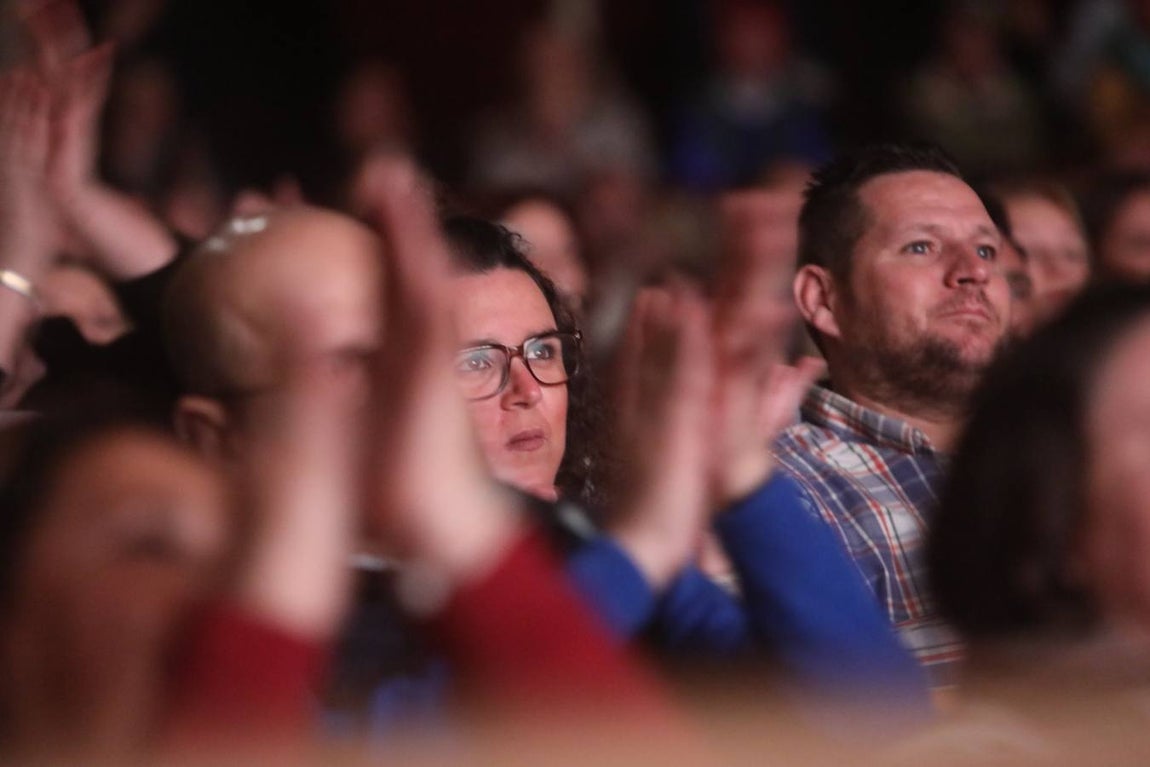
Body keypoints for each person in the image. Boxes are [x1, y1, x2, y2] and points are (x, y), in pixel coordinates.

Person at [776, 143, 1012, 688]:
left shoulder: (1083, 448)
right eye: (922, 246)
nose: (970, 273)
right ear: (823, 299)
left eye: (985, 251)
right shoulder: (776, 492)